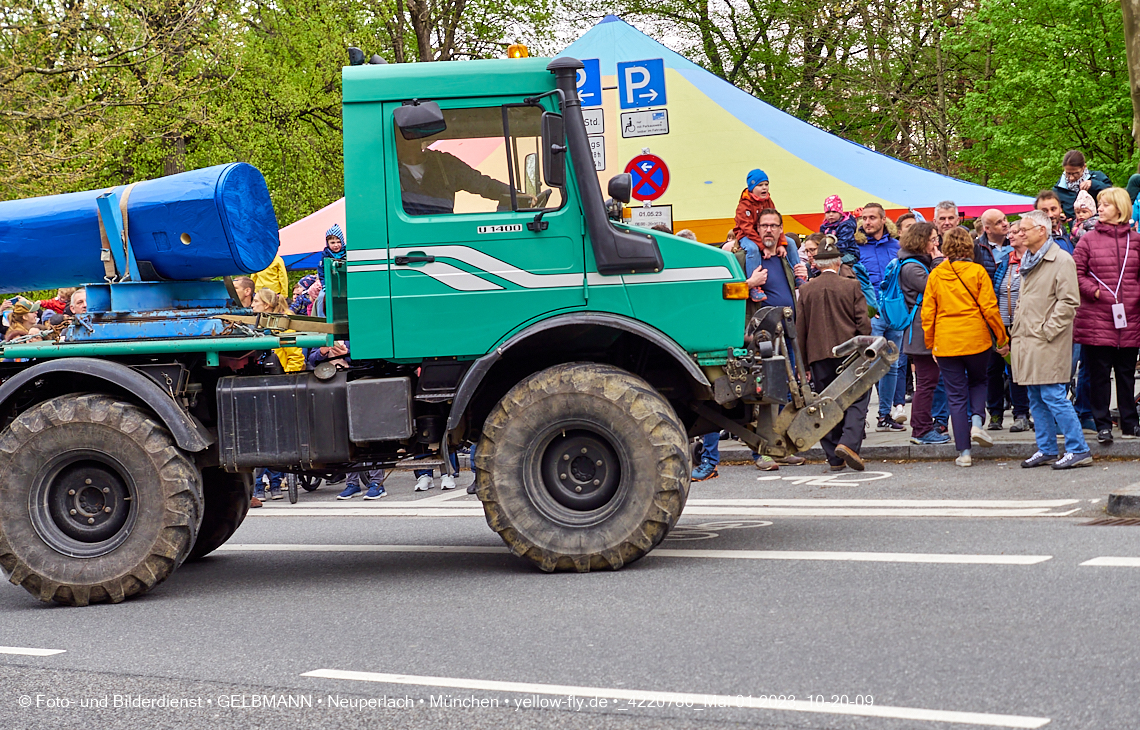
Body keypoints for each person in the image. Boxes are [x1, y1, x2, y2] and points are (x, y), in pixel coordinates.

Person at [921, 228, 1008, 467]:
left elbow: (928, 314)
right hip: (976, 338)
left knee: (955, 395)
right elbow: (990, 309)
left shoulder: (937, 275)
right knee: (979, 381)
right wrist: (1002, 339)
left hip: (947, 341)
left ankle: (964, 453)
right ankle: (978, 422)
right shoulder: (978, 272)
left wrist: (932, 344)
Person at [1011, 210, 1091, 469]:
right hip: (1029, 338)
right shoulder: (1030, 259)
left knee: (1054, 395)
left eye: (1025, 229)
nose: (1019, 233)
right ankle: (1046, 448)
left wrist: (1048, 330)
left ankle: (1078, 448)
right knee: (1036, 396)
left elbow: (1069, 301)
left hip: (1047, 340)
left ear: (1041, 231)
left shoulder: (1061, 260)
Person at [796, 240, 872, 471]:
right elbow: (863, 323)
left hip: (818, 355)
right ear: (838, 262)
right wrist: (865, 349)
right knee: (857, 398)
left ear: (817, 264)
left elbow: (800, 329)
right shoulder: (851, 286)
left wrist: (804, 363)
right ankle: (848, 443)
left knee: (825, 404)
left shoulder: (807, 289)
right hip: (849, 353)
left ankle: (834, 457)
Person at [1071, 187, 1140, 444]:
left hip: (1129, 317)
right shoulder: (1087, 240)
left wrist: (1134, 298)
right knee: (1099, 375)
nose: (1100, 209)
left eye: (1106, 205)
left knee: (1125, 374)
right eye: (1100, 204)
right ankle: (1102, 424)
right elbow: (1076, 274)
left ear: (1120, 209)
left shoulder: (1137, 240)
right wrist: (1095, 292)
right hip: (1096, 317)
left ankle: (1130, 423)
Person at [853, 202, 906, 429]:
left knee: (892, 365)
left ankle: (885, 416)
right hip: (870, 314)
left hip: (895, 312)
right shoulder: (857, 248)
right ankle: (859, 417)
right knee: (867, 366)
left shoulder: (897, 247)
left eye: (872, 217)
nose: (867, 222)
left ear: (883, 220)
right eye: (864, 218)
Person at [897, 222, 948, 445]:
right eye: (933, 239)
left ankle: (923, 427)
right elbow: (933, 287)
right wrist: (938, 262)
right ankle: (921, 429)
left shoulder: (916, 263)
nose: (936, 243)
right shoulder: (911, 267)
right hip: (919, 330)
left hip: (921, 329)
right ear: (922, 241)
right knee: (927, 381)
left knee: (929, 379)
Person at [396, 132, 530, 216]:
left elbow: (483, 184)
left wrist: (515, 194)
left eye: (410, 135)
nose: (408, 141)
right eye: (401, 137)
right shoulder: (386, 169)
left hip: (444, 234)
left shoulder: (444, 163)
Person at [991, 219, 1032, 434]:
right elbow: (995, 290)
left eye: (1017, 231)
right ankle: (1000, 413)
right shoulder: (1004, 261)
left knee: (1020, 371)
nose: (1011, 235)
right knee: (1000, 370)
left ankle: (1023, 413)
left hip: (1026, 325)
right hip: (1003, 325)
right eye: (1011, 232)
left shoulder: (1033, 260)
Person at [251, 288, 304, 373]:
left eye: (256, 301)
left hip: (281, 378)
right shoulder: (259, 325)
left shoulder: (283, 326)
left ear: (266, 305)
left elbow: (296, 357)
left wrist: (287, 377)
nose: (252, 305)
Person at [1053, 150, 1113, 223]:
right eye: (1068, 173)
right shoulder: (1058, 189)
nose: (1071, 178)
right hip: (1077, 231)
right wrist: (1062, 217)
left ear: (1084, 167)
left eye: (1076, 173)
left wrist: (1094, 184)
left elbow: (1113, 195)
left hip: (1102, 226)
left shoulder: (1097, 177)